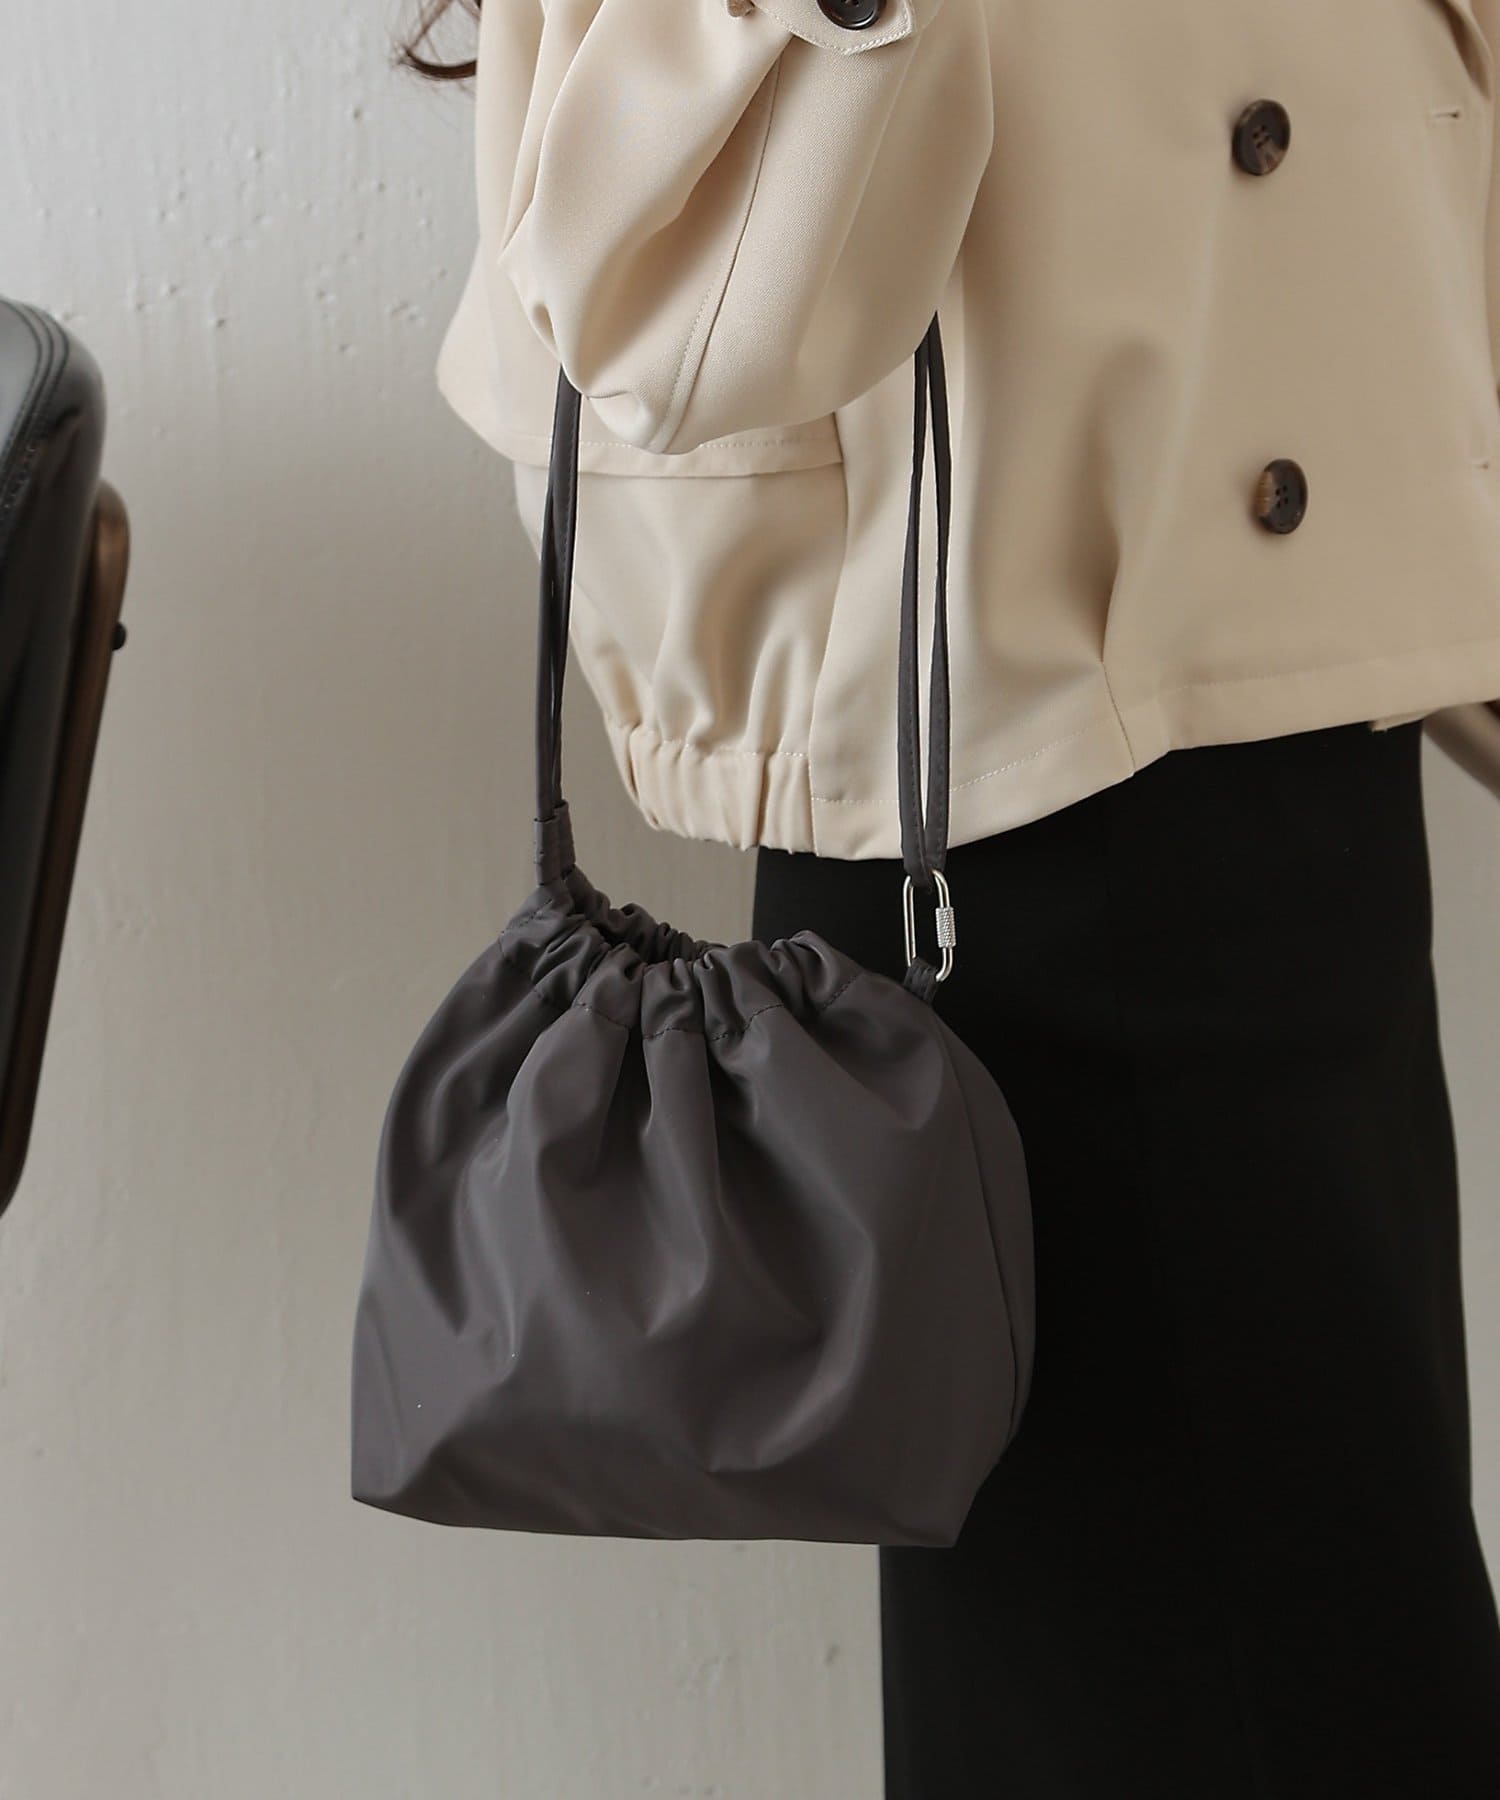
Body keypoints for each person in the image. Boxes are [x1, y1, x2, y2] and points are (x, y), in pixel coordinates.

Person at [399, 2, 1500, 1792]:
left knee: (1291, 1651)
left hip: (1296, 740)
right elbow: (670, 328)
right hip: (1012, 784)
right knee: (1253, 1680)